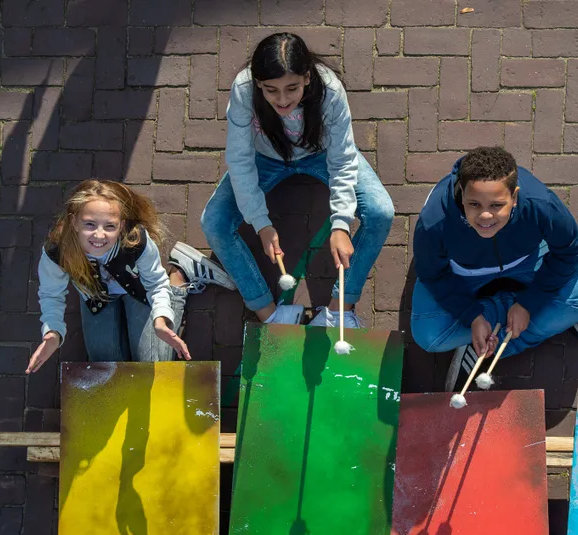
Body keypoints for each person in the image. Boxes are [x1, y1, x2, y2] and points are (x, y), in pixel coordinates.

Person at [200, 32, 393, 327]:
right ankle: (271, 314)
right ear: (258, 83)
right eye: (271, 90)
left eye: (292, 88)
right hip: (265, 159)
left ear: (307, 78)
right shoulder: (243, 89)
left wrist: (341, 224)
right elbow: (239, 160)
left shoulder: (330, 91)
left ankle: (340, 310)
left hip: (321, 154)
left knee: (381, 212)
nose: (282, 100)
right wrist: (261, 223)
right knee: (213, 222)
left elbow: (342, 160)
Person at [411, 146, 578, 391]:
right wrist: (472, 316)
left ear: (515, 197)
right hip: (463, 273)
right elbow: (432, 274)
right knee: (428, 336)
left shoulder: (541, 204)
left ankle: (496, 344)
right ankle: (545, 314)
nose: (485, 216)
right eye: (474, 204)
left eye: (496, 205)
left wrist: (528, 304)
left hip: (529, 259)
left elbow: (569, 250)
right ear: (461, 194)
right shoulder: (434, 223)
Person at [26, 179, 225, 373]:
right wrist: (53, 331)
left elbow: (156, 283)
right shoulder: (57, 250)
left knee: (152, 366)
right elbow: (51, 294)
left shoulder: (136, 240)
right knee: (106, 370)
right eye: (90, 224)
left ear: (121, 226)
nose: (99, 235)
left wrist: (160, 317)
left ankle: (179, 276)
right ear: (74, 222)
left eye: (109, 226)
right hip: (96, 297)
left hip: (138, 291)